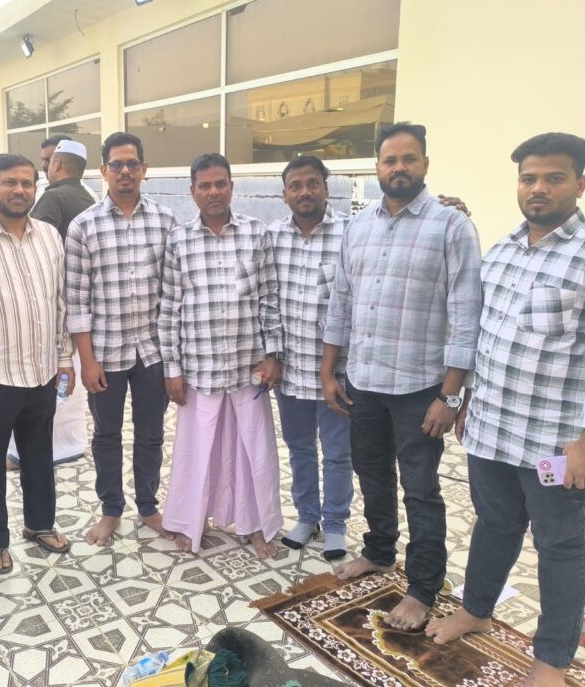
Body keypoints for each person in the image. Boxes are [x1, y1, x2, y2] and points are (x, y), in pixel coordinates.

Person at [426, 133, 585, 685]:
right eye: (529, 178)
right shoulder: (502, 251)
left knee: (560, 546)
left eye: (553, 178)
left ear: (580, 184)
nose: (538, 188)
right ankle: (476, 611)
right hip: (493, 430)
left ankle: (550, 662)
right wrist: (467, 400)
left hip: (557, 444)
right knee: (494, 525)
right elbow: (485, 338)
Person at [320, 122, 483, 631]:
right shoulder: (358, 227)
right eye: (390, 160)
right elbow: (341, 302)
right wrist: (329, 371)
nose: (399, 168)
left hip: (420, 389)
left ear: (425, 164)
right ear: (377, 167)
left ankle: (422, 586)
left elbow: (466, 315)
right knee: (370, 474)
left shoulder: (451, 227)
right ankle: (379, 551)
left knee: (420, 488)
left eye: (409, 159)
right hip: (364, 382)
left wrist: (450, 396)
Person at [159, 153, 284, 559]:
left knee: (254, 452)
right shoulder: (178, 240)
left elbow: (269, 298)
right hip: (199, 367)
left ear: (232, 187)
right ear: (192, 192)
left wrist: (273, 354)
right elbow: (170, 308)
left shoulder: (255, 233)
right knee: (197, 451)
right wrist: (172, 368)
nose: (213, 192)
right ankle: (190, 522)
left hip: (248, 366)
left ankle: (257, 525)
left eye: (220, 184)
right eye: (205, 186)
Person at [0, 154, 74, 574]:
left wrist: (64, 358)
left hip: (41, 372)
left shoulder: (50, 237)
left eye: (27, 183)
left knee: (39, 454)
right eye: (10, 182)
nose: (19, 190)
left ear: (36, 188)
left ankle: (39, 524)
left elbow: (60, 302)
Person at [66, 132, 175, 546]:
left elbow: (173, 292)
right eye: (116, 164)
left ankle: (148, 506)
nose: (124, 171)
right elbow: (76, 299)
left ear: (144, 169)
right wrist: (86, 360)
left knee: (151, 435)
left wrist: (173, 358)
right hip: (105, 354)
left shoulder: (165, 221)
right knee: (106, 436)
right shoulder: (83, 226)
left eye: (132, 163)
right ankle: (111, 509)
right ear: (103, 171)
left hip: (152, 352)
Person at [268, 157, 352, 559]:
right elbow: (268, 301)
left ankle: (335, 524)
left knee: (337, 454)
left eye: (312, 183)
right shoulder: (272, 237)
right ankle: (307, 517)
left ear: (326, 188)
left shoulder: (350, 234)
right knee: (300, 448)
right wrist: (271, 354)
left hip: (337, 374)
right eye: (296, 185)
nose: (305, 192)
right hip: (291, 370)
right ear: (285, 194)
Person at [5, 140, 96, 472]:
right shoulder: (91, 198)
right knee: (71, 388)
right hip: (81, 310)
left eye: (47, 162)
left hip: (50, 308)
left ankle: (24, 452)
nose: (44, 167)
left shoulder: (53, 198)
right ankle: (69, 445)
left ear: (57, 164)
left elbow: (26, 247)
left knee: (41, 381)